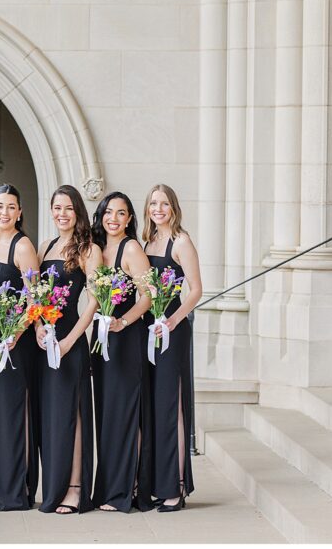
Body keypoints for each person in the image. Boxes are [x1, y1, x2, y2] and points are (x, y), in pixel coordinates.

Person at [35, 185, 102, 514]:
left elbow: (94, 300)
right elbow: (35, 294)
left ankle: (75, 489)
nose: (61, 214)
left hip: (70, 340)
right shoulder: (45, 246)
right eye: (56, 208)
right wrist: (36, 327)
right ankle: (54, 487)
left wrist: (70, 340)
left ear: (77, 212)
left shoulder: (89, 249)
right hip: (46, 340)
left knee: (72, 416)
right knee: (52, 418)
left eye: (68, 209)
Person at [89, 191, 154, 513]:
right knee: (106, 415)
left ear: (130, 219)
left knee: (124, 414)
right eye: (108, 212)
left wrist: (123, 322)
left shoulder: (131, 248)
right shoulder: (98, 250)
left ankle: (125, 492)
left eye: (121, 213)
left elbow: (148, 296)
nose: (113, 219)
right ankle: (108, 489)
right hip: (103, 339)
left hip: (126, 339)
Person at [0, 184, 40, 511]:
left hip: (14, 341)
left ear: (19, 212)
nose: (4, 212)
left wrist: (15, 332)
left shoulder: (24, 246)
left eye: (11, 207)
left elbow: (34, 297)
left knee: (12, 414)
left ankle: (15, 493)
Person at [143, 184, 202, 512]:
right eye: (153, 203)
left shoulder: (182, 241)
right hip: (148, 331)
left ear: (174, 207)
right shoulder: (148, 241)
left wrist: (173, 321)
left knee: (171, 407)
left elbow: (195, 290)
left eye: (164, 203)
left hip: (171, 330)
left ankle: (175, 487)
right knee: (153, 408)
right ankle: (157, 482)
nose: (158, 208)